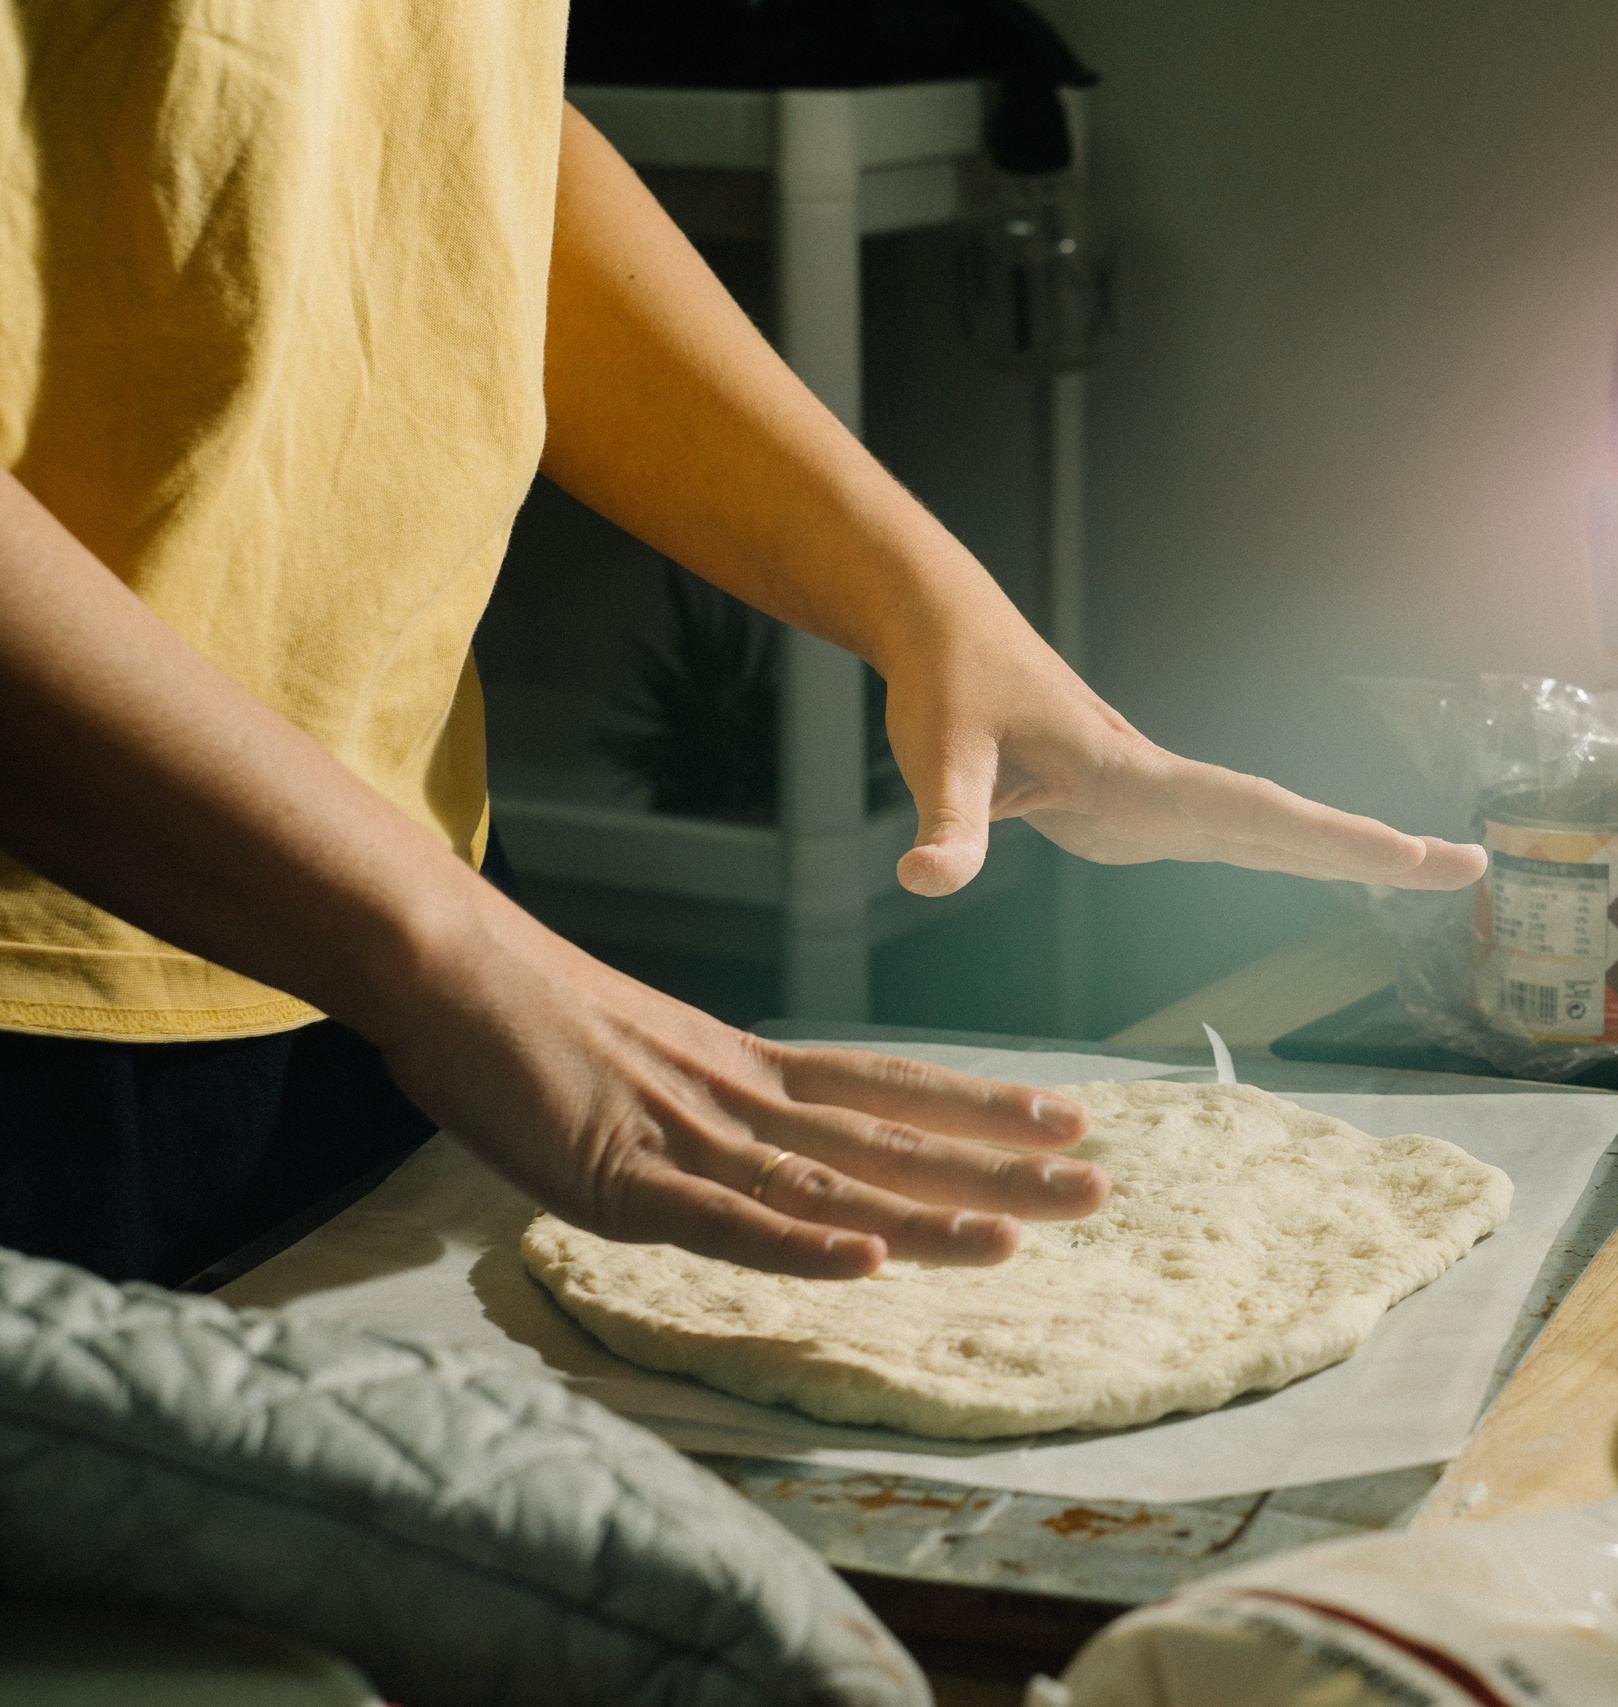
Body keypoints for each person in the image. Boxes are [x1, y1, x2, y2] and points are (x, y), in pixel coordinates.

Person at [0, 4, 1482, 1289]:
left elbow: (451, 139)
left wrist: (919, 595)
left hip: (405, 907)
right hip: (70, 969)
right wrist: (452, 959)